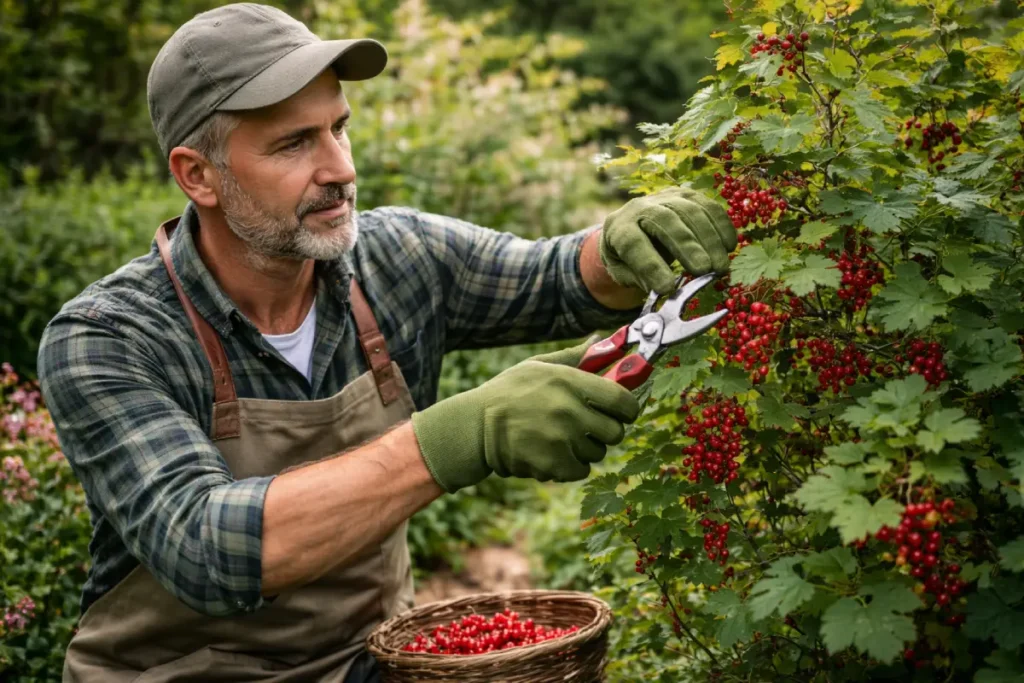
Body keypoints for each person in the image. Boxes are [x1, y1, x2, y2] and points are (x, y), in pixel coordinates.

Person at [36, 3, 738, 682]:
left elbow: (553, 278)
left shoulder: (396, 258)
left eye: (338, 128)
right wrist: (461, 434)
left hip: (363, 664)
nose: (339, 167)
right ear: (198, 175)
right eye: (294, 142)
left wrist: (620, 246)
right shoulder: (107, 339)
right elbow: (205, 548)